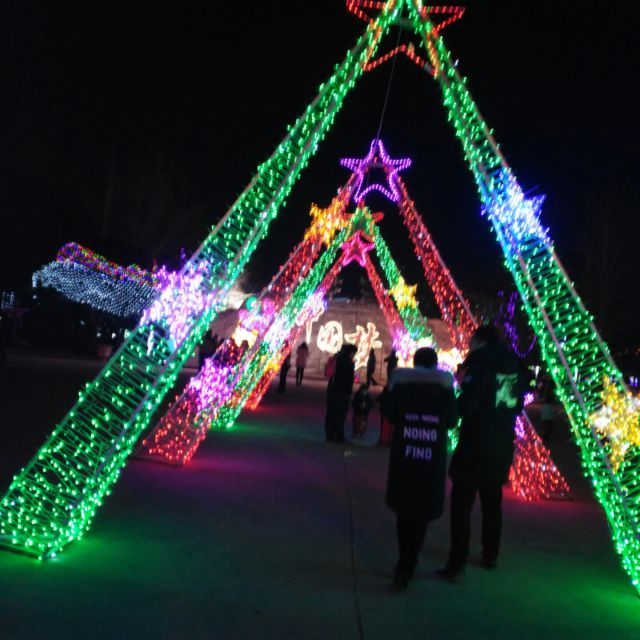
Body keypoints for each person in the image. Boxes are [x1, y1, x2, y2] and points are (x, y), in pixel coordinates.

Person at [438, 325, 527, 580]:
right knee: (492, 502)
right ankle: (490, 554)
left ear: (479, 340)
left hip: (475, 443)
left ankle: (457, 561)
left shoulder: (479, 361)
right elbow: (516, 404)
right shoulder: (513, 363)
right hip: (501, 443)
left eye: (472, 340)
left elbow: (468, 405)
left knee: (461, 503)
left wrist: (457, 395)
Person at [385, 347, 457, 591]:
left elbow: (389, 414)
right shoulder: (445, 389)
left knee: (403, 512)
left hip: (405, 456)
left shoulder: (402, 385)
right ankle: (409, 563)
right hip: (431, 459)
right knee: (421, 515)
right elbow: (452, 421)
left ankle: (403, 562)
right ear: (435, 364)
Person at [324, 343, 357, 442]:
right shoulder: (348, 362)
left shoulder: (337, 358)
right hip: (342, 392)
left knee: (331, 412)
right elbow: (348, 380)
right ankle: (339, 435)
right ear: (350, 352)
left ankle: (329, 434)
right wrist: (349, 393)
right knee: (340, 414)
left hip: (332, 390)